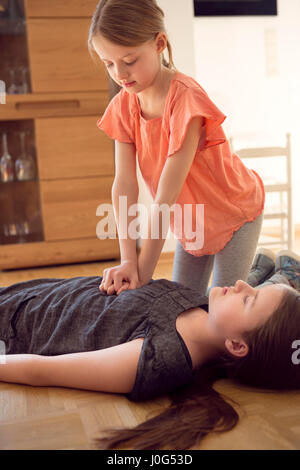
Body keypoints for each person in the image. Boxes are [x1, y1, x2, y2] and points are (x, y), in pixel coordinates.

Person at [0, 248, 300, 450]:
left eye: (249, 299)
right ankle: (286, 278)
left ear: (236, 345)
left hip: (14, 326)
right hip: (38, 293)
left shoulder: (159, 357)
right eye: (253, 288)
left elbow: (42, 371)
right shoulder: (204, 307)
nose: (239, 284)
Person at [88, 0, 265, 297]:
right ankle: (261, 274)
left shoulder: (186, 100)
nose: (119, 73)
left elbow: (166, 196)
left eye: (129, 60)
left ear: (159, 44)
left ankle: (277, 278)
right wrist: (128, 261)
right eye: (109, 63)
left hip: (235, 213)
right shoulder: (123, 105)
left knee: (220, 313)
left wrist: (142, 275)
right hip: (191, 222)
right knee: (181, 305)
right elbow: (125, 185)